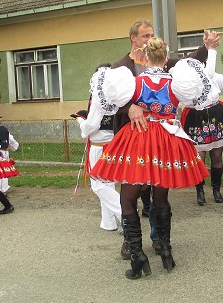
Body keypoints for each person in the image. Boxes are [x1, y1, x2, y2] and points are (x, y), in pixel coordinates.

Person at [90, 37, 210, 279]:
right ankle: (166, 251)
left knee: (128, 199)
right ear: (166, 59)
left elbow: (109, 104)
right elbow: (196, 99)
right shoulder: (177, 84)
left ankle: (138, 257)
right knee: (161, 198)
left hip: (139, 139)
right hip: (167, 140)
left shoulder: (133, 83)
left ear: (144, 58)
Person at [111, 19, 219, 258]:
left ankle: (153, 244)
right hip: (149, 138)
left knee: (137, 195)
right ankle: (142, 245)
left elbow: (187, 62)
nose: (149, 38)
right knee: (150, 194)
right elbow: (112, 100)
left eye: (151, 35)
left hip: (143, 139)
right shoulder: (121, 67)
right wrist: (130, 107)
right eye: (145, 35)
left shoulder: (157, 70)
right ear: (134, 39)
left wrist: (206, 48)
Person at [180, 42, 223, 205]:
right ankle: (200, 191)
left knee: (217, 156)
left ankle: (216, 189)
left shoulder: (216, 77)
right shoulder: (187, 81)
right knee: (199, 157)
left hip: (215, 115)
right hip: (195, 118)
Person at [74, 63, 122, 232]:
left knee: (98, 184)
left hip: (100, 146)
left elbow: (91, 126)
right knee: (108, 183)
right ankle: (108, 222)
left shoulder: (98, 99)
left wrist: (80, 122)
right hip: (114, 144)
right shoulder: (118, 98)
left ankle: (125, 214)